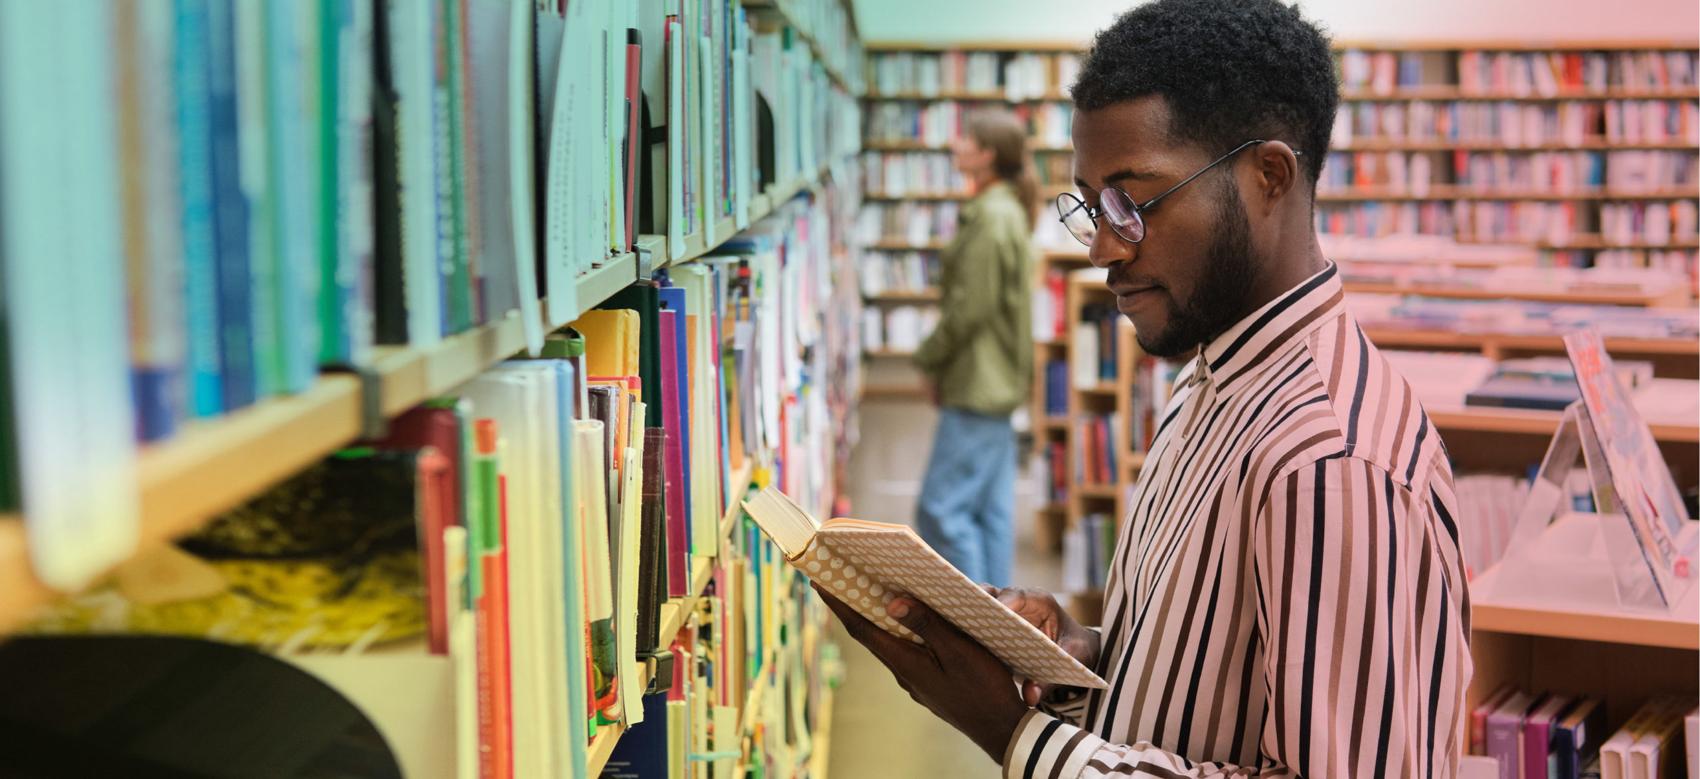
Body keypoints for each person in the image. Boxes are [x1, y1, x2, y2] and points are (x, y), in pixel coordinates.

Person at [822, 1, 1473, 776]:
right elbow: (1209, 691)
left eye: (1135, 202)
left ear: (1269, 176)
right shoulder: (1210, 375)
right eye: (1093, 206)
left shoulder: (1331, 464)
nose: (1102, 245)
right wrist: (1074, 655)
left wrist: (1013, 733)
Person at [910, 110, 1038, 588]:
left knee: (942, 511)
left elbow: (971, 307)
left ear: (987, 155)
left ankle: (976, 623)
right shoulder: (1003, 210)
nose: (957, 145)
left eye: (967, 138)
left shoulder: (990, 216)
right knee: (988, 512)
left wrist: (928, 359)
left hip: (979, 380)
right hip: (996, 380)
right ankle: (1002, 623)